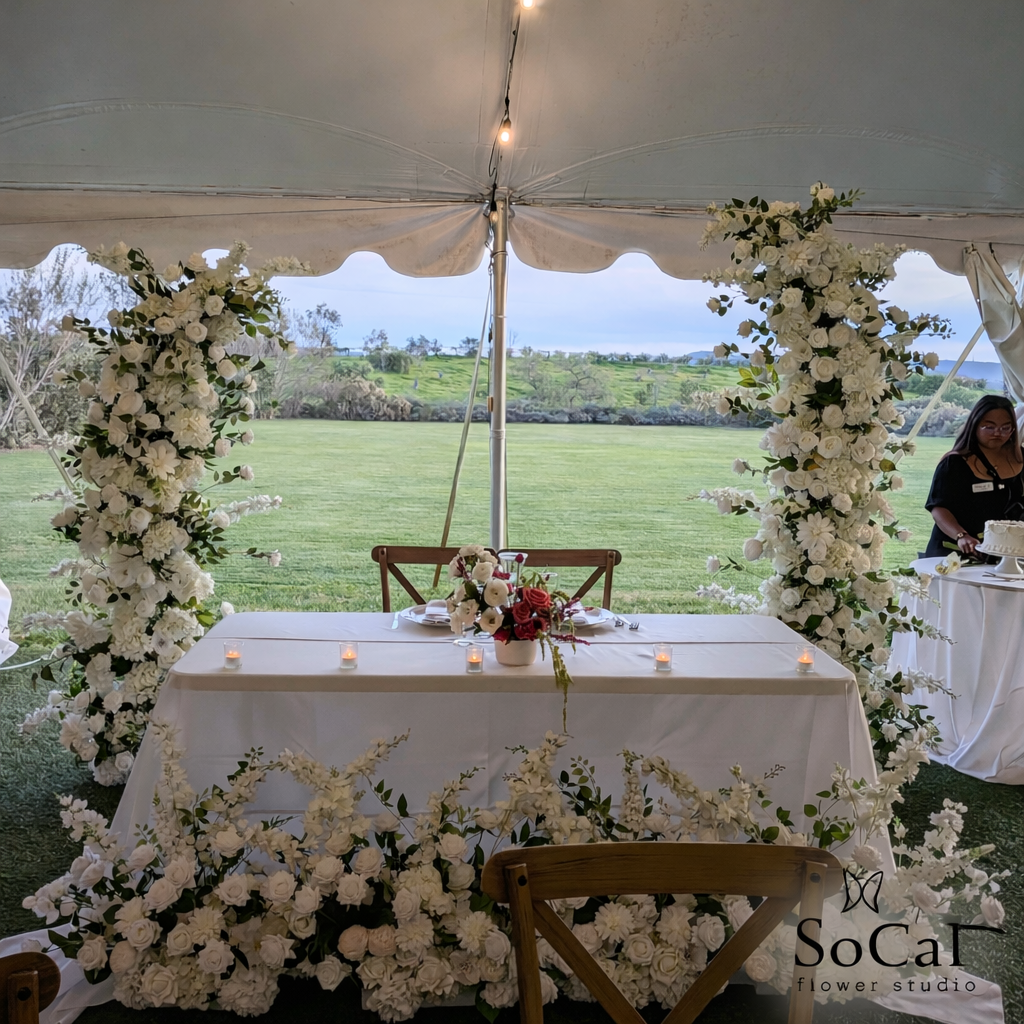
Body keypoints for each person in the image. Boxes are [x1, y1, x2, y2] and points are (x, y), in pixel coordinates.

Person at [924, 394, 1024, 558]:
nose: (998, 433)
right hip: (955, 553)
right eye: (989, 427)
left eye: (1005, 428)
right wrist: (961, 536)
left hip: (1006, 554)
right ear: (975, 425)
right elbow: (938, 508)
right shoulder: (954, 463)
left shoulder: (1021, 459)